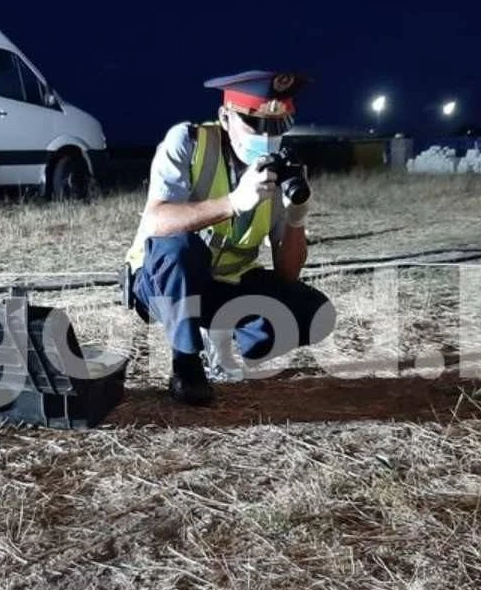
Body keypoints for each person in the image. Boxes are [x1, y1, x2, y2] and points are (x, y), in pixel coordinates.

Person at [122, 70, 337, 405]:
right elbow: (157, 221)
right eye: (255, 123)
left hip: (224, 284)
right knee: (179, 248)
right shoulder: (188, 141)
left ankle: (218, 333)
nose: (267, 136)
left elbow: (287, 274)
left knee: (314, 312)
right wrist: (233, 202)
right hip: (163, 281)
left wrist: (296, 216)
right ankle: (186, 364)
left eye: (278, 125)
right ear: (225, 117)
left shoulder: (280, 168)